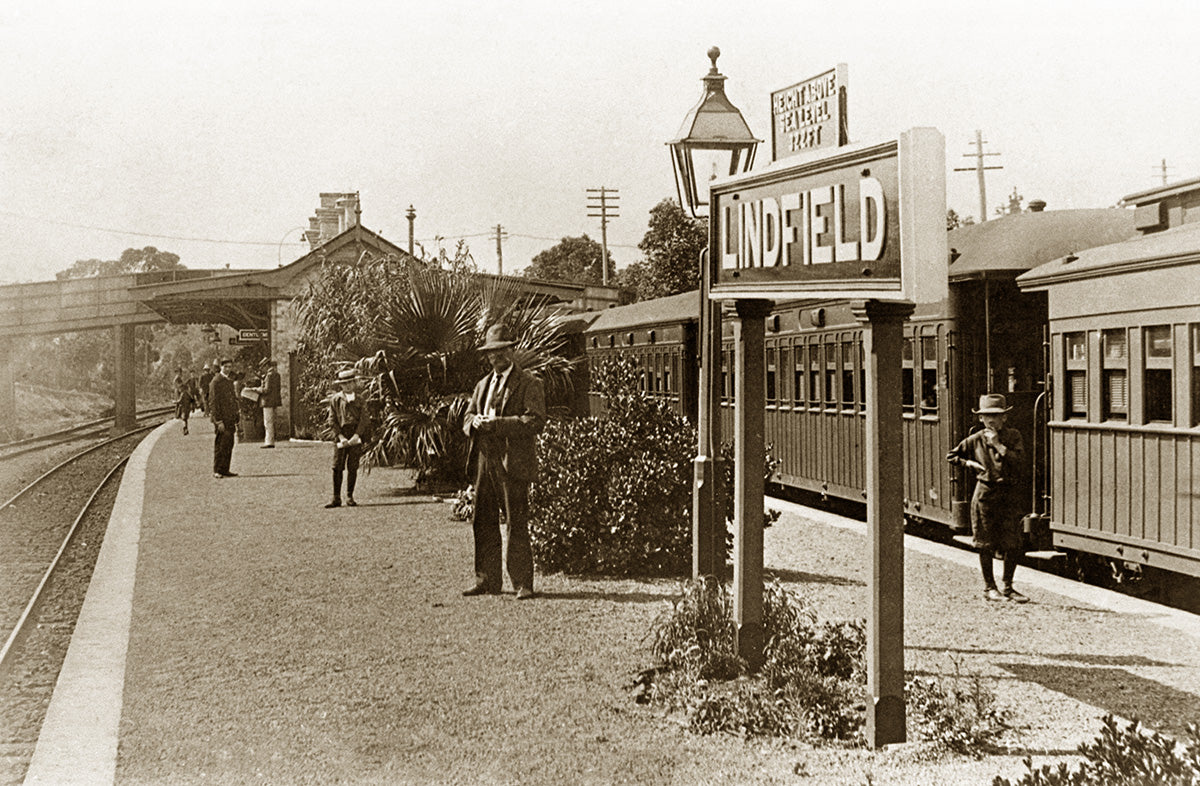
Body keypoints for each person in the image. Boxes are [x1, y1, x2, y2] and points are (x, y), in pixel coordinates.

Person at [461, 323, 546, 600]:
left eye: (500, 352)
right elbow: (467, 417)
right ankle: (487, 580)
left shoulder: (529, 383)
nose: (494, 358)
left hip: (513, 461)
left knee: (516, 522)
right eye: (490, 353)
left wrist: (498, 424)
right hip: (486, 460)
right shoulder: (483, 384)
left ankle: (522, 583)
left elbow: (535, 421)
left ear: (511, 350)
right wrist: (473, 422)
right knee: (482, 520)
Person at [947, 394, 1029, 603]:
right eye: (986, 416)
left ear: (1004, 418)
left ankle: (1008, 587)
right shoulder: (975, 440)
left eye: (996, 416)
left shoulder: (1014, 436)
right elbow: (952, 456)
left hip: (1008, 494)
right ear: (981, 419)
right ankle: (989, 588)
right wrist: (969, 465)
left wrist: (999, 446)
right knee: (985, 543)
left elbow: (1020, 463)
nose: (991, 420)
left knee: (1013, 543)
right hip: (985, 495)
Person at [325, 369, 370, 508]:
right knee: (337, 466)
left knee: (353, 466)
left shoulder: (360, 399)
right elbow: (332, 419)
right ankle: (336, 497)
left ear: (355, 383)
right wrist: (340, 436)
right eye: (344, 384)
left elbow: (364, 419)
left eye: (350, 382)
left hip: (355, 434)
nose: (348, 386)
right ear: (341, 385)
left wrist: (357, 435)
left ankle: (350, 496)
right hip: (341, 435)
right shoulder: (336, 399)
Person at [208, 358, 239, 478]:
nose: (228, 369)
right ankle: (217, 470)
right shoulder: (216, 382)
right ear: (221, 367)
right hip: (221, 419)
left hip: (230, 418)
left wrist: (236, 415)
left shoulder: (228, 381)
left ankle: (225, 469)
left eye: (230, 367)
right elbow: (213, 403)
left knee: (229, 444)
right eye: (225, 367)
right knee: (220, 444)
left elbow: (233, 400)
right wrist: (218, 420)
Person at [257, 359, 282, 448]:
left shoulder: (269, 376)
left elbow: (267, 390)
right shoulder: (276, 375)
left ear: (266, 366)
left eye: (262, 367)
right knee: (272, 421)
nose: (262, 369)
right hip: (274, 401)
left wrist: (258, 389)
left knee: (268, 422)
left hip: (267, 401)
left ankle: (269, 442)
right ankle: (271, 440)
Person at [173, 367, 194, 435]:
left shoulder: (178, 379)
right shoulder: (177, 379)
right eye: (179, 372)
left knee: (183, 416)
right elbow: (179, 386)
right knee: (183, 415)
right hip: (179, 395)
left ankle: (185, 428)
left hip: (181, 397)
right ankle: (185, 428)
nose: (180, 374)